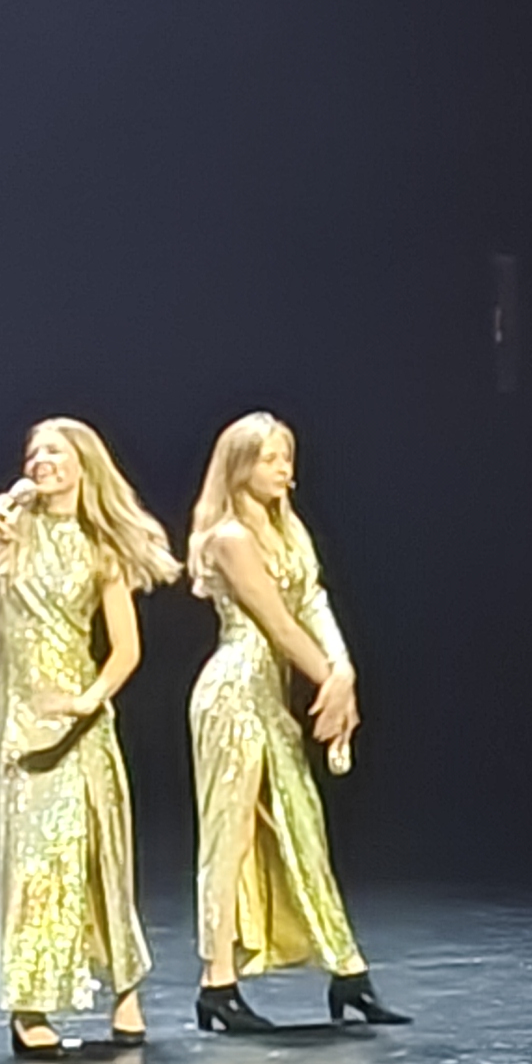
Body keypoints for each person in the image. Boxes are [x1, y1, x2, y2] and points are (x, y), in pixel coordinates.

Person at [0, 416, 178, 1058]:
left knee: (101, 854)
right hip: (19, 720)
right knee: (31, 859)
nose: (41, 460)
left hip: (81, 719)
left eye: (55, 451)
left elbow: (126, 649)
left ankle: (125, 989)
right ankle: (29, 1003)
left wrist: (90, 700)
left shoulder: (99, 547)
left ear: (83, 464)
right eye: (34, 451)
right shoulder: (9, 531)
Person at [184, 411, 407, 1031]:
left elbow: (312, 601)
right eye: (270, 459)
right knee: (230, 837)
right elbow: (277, 624)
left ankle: (349, 972)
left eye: (287, 456)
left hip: (272, 693)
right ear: (239, 468)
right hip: (233, 694)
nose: (285, 469)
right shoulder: (229, 537)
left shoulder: (288, 527)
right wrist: (330, 682)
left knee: (302, 823)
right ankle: (216, 985)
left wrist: (344, 671)